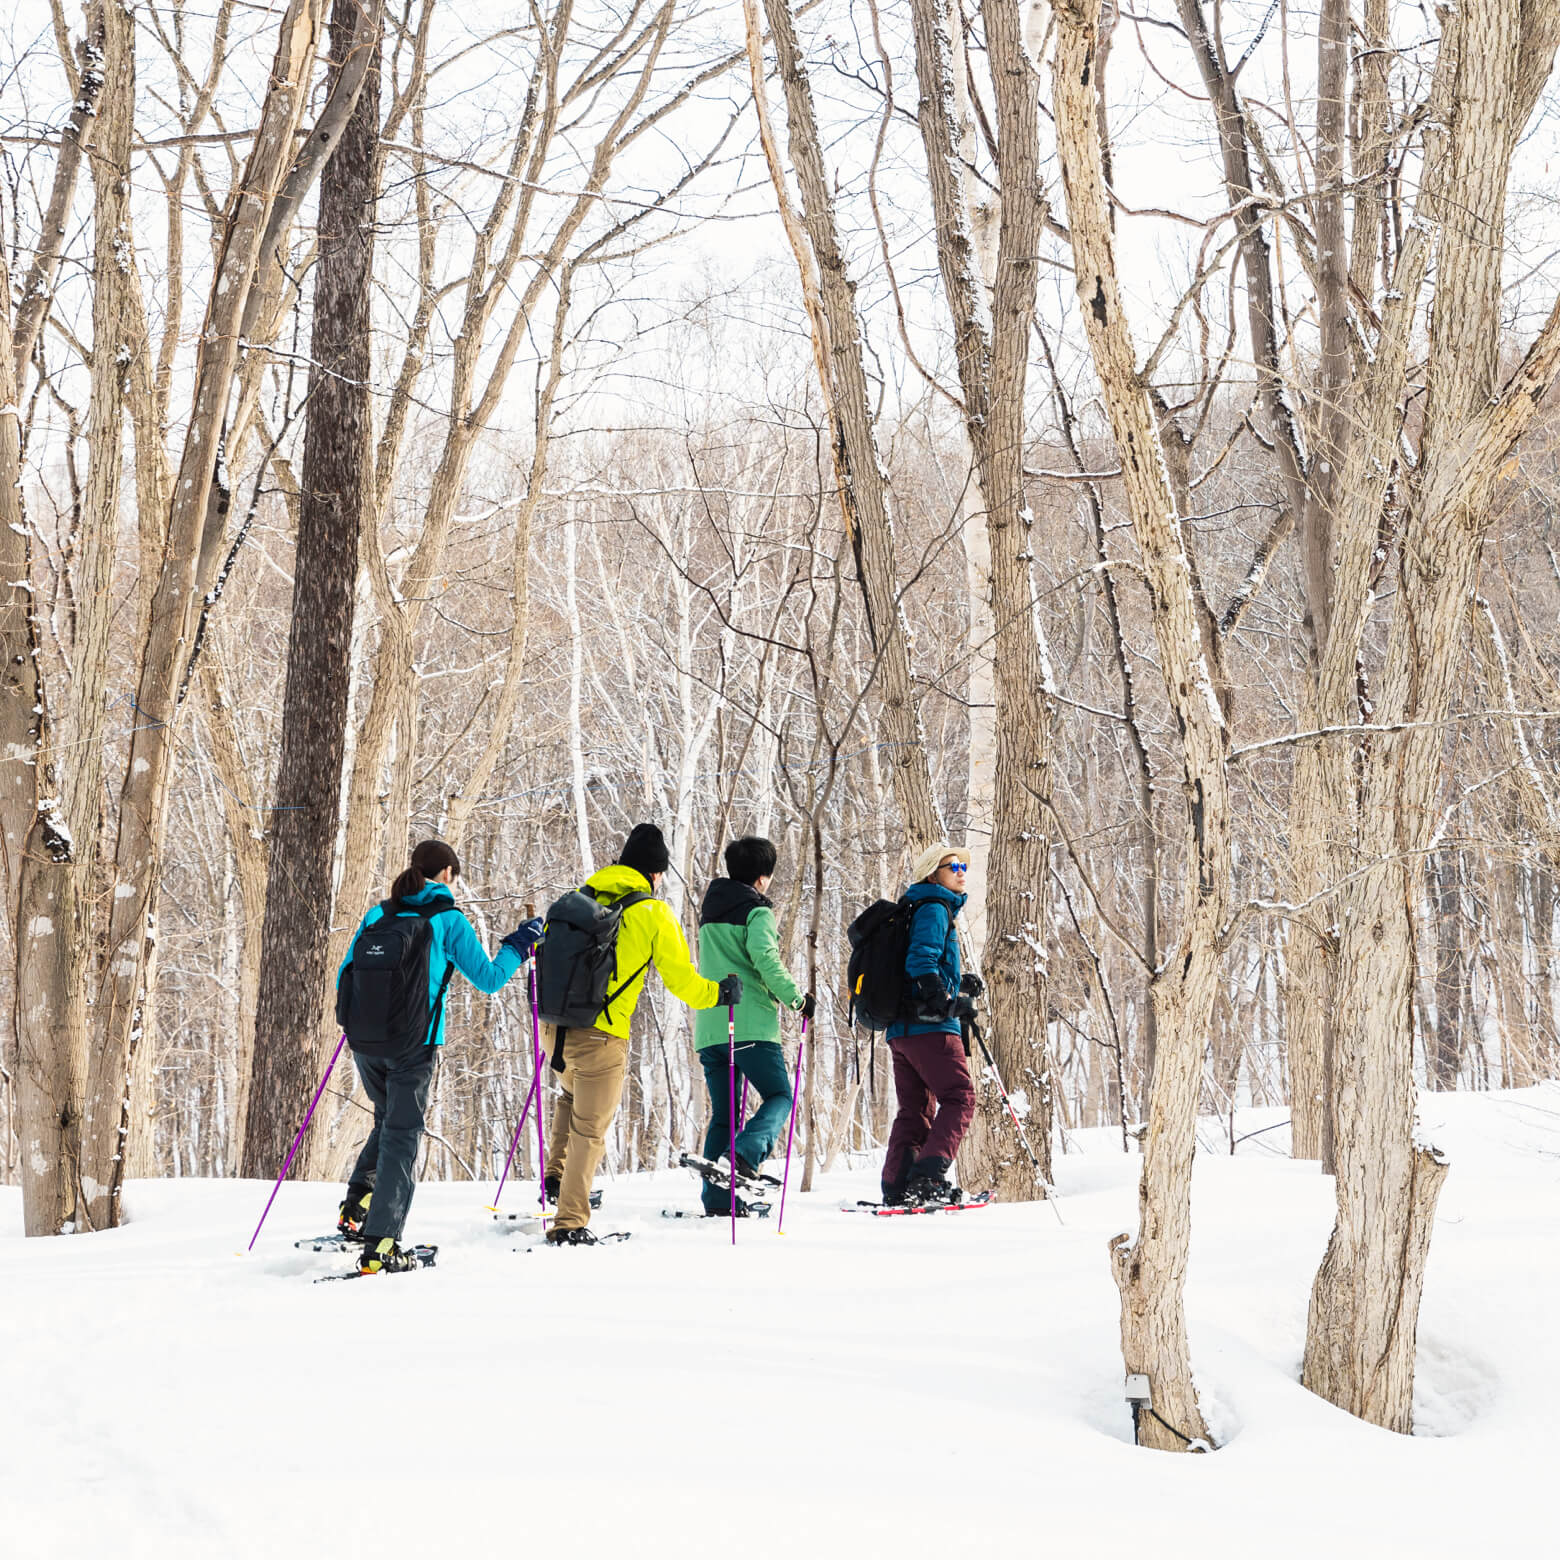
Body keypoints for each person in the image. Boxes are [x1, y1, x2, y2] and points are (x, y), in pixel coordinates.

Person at [336, 839, 542, 1272]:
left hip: (365, 1042)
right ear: (447, 874)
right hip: (414, 1043)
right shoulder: (447, 919)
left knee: (388, 1119)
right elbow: (488, 978)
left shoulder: (379, 913)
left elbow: (346, 973)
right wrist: (520, 946)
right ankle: (382, 1244)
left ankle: (356, 1208)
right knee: (402, 1133)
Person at [543, 823, 740, 1244]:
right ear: (654, 873)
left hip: (553, 1027)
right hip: (601, 1035)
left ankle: (556, 1179)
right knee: (590, 1130)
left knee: (569, 1096)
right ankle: (569, 1221)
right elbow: (683, 983)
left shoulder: (583, 896)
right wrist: (720, 993)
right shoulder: (652, 912)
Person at [694, 836, 814, 1216]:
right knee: (781, 1096)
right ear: (763, 877)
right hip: (751, 1026)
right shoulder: (757, 912)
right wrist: (797, 999)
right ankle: (743, 1157)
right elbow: (765, 960)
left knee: (725, 1115)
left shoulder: (710, 911)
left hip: (712, 1027)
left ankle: (718, 1200)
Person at [881, 843, 980, 1207]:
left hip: (901, 1030)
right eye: (951, 865)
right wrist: (944, 1002)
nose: (960, 871)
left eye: (963, 866)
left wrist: (958, 982)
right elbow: (920, 960)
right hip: (931, 1027)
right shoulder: (936, 907)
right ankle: (927, 1178)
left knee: (916, 1110)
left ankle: (897, 1184)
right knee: (959, 1097)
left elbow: (922, 959)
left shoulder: (913, 907)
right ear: (931, 873)